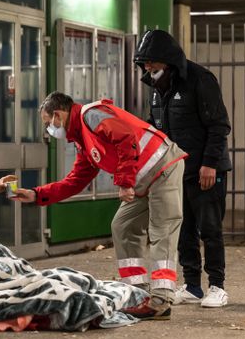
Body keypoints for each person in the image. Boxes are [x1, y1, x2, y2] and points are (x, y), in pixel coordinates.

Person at [12, 91, 187, 320]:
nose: (49, 130)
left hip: (162, 166)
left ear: (58, 114)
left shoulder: (92, 116)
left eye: (48, 124)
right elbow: (75, 182)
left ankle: (161, 300)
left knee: (162, 230)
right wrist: (36, 195)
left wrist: (124, 182)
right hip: (141, 179)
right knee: (122, 226)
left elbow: (126, 138)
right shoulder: (83, 139)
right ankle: (137, 291)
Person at [133, 29, 232, 308]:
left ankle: (217, 285)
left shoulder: (200, 80)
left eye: (151, 61)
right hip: (175, 173)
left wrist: (210, 164)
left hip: (205, 171)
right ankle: (192, 286)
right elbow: (156, 130)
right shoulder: (158, 89)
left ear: (167, 59)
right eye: (144, 62)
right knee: (184, 229)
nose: (147, 66)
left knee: (210, 229)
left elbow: (218, 126)